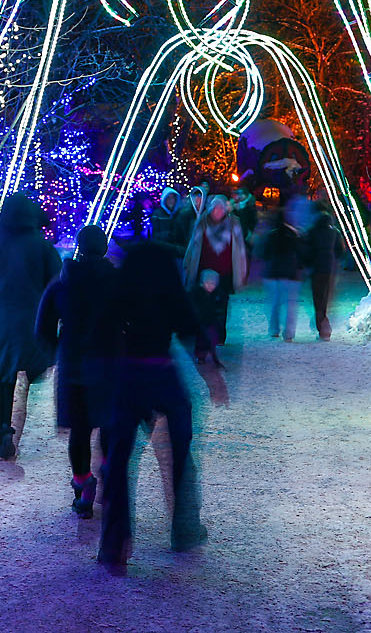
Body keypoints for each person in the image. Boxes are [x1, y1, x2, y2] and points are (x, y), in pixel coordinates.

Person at [93, 240, 219, 574]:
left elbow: (100, 331)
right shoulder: (169, 290)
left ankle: (113, 544)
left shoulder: (119, 289)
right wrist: (213, 374)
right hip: (161, 374)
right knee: (181, 453)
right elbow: (192, 327)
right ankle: (185, 528)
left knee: (117, 460)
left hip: (127, 377)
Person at [0, 192, 60, 460]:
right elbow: (56, 279)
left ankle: (4, 431)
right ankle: (19, 425)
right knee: (29, 378)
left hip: (0, 320)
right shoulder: (41, 246)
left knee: (4, 380)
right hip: (32, 319)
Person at [34, 224, 117, 518]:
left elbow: (42, 327)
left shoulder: (62, 283)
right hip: (109, 363)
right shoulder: (116, 282)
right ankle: (109, 474)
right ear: (104, 248)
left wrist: (60, 346)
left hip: (74, 364)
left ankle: (83, 485)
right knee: (109, 425)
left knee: (80, 430)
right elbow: (134, 321)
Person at [183, 194, 247, 361]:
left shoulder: (234, 223)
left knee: (221, 305)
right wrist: (189, 264)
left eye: (221, 208)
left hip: (225, 272)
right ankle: (202, 339)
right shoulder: (202, 222)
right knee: (203, 306)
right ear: (210, 209)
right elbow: (194, 245)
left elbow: (239, 248)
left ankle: (219, 336)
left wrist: (240, 271)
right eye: (215, 208)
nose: (218, 211)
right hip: (204, 272)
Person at [255, 201, 305, 342]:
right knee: (290, 305)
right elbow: (301, 253)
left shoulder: (270, 235)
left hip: (273, 273)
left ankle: (274, 329)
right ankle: (288, 333)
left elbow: (262, 253)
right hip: (290, 274)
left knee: (274, 303)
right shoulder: (293, 234)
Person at [307, 209, 338, 341]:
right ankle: (324, 327)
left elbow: (306, 250)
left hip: (316, 268)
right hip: (328, 267)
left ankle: (321, 326)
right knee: (325, 297)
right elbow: (340, 250)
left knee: (317, 298)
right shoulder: (334, 233)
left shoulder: (312, 232)